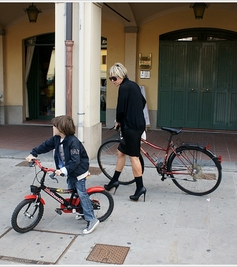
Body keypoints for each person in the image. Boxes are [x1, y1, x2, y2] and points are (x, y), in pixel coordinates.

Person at [25, 115, 100, 235]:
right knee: (71, 189)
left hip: (78, 171)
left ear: (61, 128)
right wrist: (33, 153)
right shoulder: (56, 139)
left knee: (81, 193)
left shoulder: (73, 142)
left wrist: (63, 170)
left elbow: (75, 161)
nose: (53, 128)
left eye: (54, 126)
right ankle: (79, 209)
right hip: (69, 170)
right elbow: (45, 145)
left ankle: (91, 218)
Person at [105, 62, 147, 202]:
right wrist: (135, 112)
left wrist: (118, 121)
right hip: (138, 124)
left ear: (121, 76)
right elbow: (143, 101)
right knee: (120, 152)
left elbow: (121, 108)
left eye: (114, 78)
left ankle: (140, 187)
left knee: (134, 156)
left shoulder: (123, 88)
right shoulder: (134, 85)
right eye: (110, 79)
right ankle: (114, 181)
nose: (112, 81)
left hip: (131, 127)